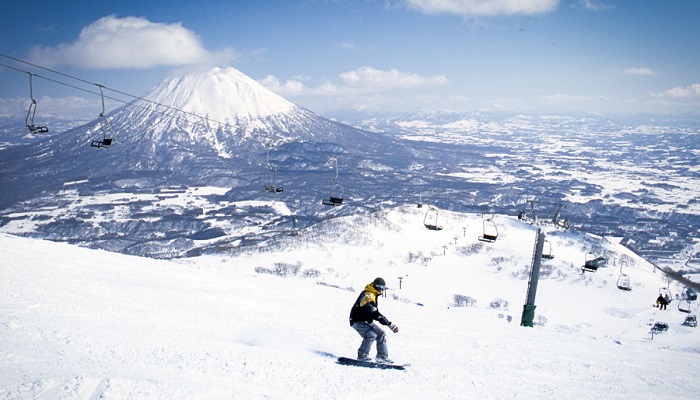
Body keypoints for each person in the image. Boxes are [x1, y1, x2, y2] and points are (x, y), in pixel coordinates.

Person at [349, 277, 399, 363]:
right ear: (377, 287)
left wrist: (388, 323)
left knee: (381, 334)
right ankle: (362, 355)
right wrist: (389, 324)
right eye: (381, 288)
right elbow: (374, 312)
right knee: (370, 334)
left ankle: (382, 357)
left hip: (366, 321)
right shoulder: (368, 295)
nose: (382, 291)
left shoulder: (373, 294)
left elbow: (374, 312)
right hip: (357, 320)